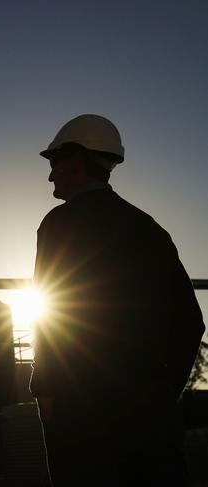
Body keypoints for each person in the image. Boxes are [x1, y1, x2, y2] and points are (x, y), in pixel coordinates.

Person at [30, 114, 205, 486]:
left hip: (83, 415)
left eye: (54, 162)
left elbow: (51, 313)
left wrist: (44, 388)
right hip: (152, 417)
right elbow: (191, 322)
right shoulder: (151, 229)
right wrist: (159, 392)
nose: (50, 175)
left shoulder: (59, 225)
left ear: (75, 160)